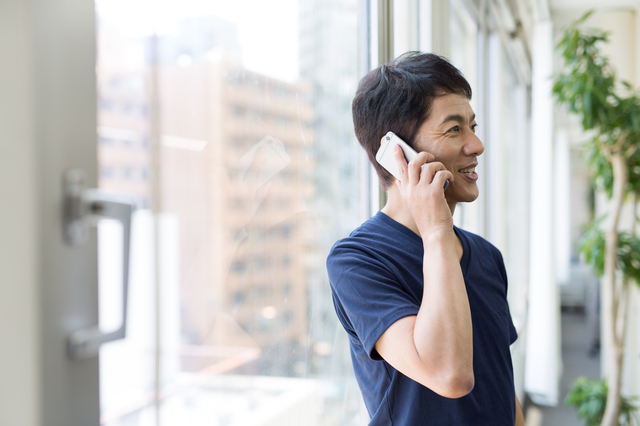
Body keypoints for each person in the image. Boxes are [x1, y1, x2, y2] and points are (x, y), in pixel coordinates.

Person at [326, 52, 526, 425]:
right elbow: (450, 375)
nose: (476, 145)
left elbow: (499, 381)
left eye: (473, 125)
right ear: (398, 153)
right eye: (455, 129)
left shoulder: (486, 255)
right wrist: (436, 230)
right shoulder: (357, 260)